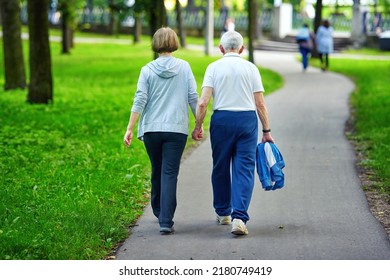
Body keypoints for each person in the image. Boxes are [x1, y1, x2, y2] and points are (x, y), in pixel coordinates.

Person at [192, 31, 275, 236]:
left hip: (221, 120)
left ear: (221, 48)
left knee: (220, 166)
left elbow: (203, 102)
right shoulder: (251, 68)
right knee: (244, 168)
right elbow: (260, 104)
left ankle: (223, 213)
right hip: (246, 121)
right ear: (242, 49)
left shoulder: (214, 67)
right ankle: (239, 217)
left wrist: (198, 125)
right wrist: (266, 131)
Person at [123, 27, 198, 235]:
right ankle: (165, 219)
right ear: (174, 42)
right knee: (169, 172)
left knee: (157, 169)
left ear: (155, 44)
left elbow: (140, 99)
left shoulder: (147, 70)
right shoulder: (184, 68)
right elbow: (193, 97)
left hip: (152, 130)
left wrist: (130, 128)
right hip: (176, 130)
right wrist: (199, 123)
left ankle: (158, 210)